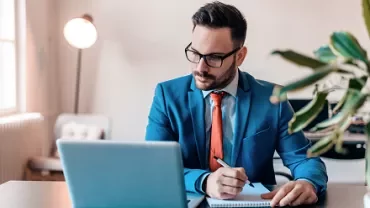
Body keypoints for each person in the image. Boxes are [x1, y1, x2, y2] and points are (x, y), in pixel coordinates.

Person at [145, 1, 328, 207]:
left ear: (239, 56)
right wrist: (204, 181)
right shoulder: (167, 95)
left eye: (214, 57)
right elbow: (155, 167)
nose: (200, 67)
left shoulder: (273, 99)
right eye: (195, 53)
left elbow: (304, 159)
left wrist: (307, 182)